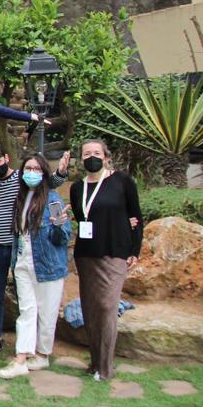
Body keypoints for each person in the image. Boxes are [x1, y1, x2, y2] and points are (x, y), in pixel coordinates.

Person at [0, 143, 70, 354]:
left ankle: (30, 343)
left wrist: (61, 172)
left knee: (26, 296)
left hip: (19, 245)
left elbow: (48, 183)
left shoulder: (22, 178)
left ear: (7, 158)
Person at [70, 139, 142, 382]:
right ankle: (94, 363)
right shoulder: (77, 187)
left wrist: (134, 249)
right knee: (90, 310)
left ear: (106, 157)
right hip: (86, 254)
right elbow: (81, 219)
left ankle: (106, 367)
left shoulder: (122, 181)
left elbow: (136, 216)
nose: (92, 157)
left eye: (97, 153)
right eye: (87, 153)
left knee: (107, 306)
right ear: (81, 159)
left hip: (114, 253)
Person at [0, 155, 72, 379]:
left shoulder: (54, 200)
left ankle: (42, 355)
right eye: (27, 168)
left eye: (36, 169)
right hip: (22, 264)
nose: (31, 172)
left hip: (48, 266)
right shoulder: (20, 199)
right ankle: (21, 357)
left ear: (44, 174)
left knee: (47, 314)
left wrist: (58, 226)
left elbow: (64, 236)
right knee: (27, 311)